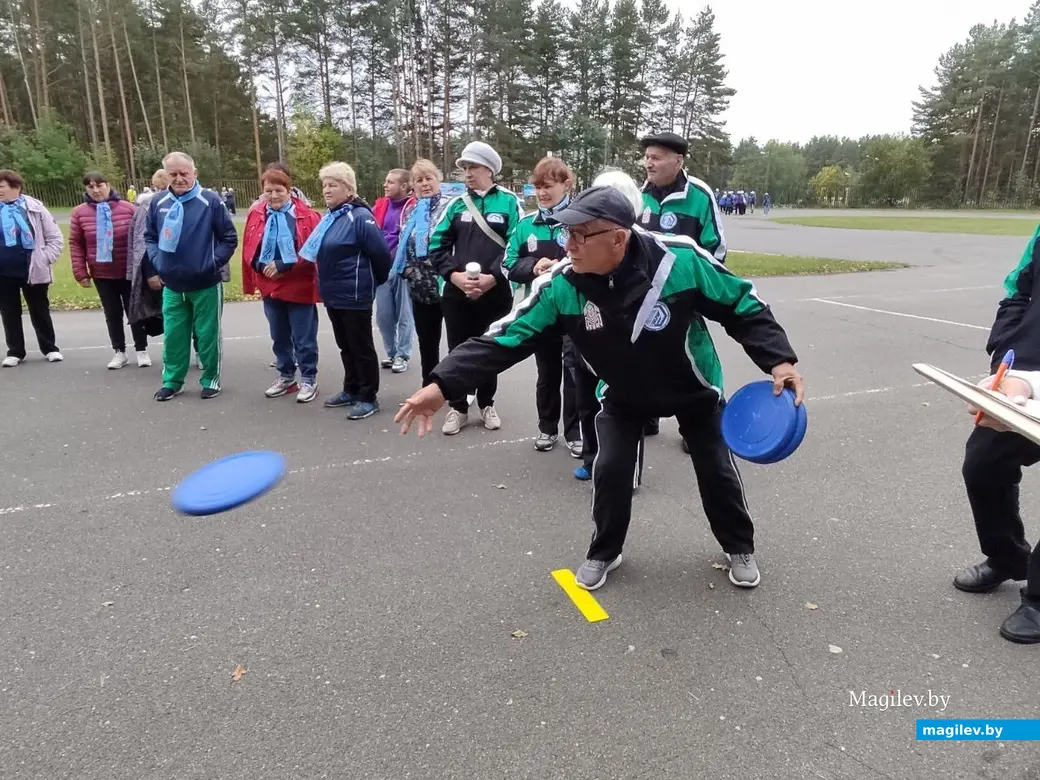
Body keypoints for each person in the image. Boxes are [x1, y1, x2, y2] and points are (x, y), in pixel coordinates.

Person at [396, 186, 804, 592]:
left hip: (691, 388)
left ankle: (739, 547)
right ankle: (605, 551)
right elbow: (505, 337)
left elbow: (741, 304)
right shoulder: (563, 284)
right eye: (564, 234)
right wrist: (442, 383)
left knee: (716, 469)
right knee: (608, 470)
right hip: (623, 393)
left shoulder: (678, 260)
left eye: (578, 235)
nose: (566, 245)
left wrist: (779, 359)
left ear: (617, 238)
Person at [953, 227, 1040, 643]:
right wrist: (1008, 376)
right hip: (1027, 380)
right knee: (984, 464)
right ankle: (1007, 557)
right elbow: (1018, 294)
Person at [428, 141, 524, 435]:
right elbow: (436, 245)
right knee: (458, 349)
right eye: (465, 168)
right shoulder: (455, 204)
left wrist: (493, 277)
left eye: (473, 167)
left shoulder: (509, 203)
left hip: (495, 292)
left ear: (490, 170)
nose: (467, 174)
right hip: (456, 293)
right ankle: (458, 408)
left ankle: (487, 402)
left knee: (490, 348)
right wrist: (454, 276)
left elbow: (516, 245)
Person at [640, 131, 729, 447]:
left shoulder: (700, 196)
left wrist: (698, 293)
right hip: (645, 300)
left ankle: (698, 424)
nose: (648, 163)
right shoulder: (639, 196)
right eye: (647, 157)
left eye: (656, 157)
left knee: (695, 359)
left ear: (678, 161)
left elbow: (715, 249)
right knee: (643, 358)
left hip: (686, 297)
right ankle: (645, 415)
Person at [144, 151, 238, 401]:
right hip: (172, 285)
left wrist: (210, 263)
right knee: (174, 334)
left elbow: (229, 238)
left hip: (205, 283)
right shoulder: (158, 202)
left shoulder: (211, 201)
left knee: (207, 334)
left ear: (194, 173)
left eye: (184, 173)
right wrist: (157, 261)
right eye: (173, 174)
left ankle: (210, 379)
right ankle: (173, 381)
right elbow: (150, 237)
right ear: (166, 175)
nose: (179, 178)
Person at [503, 156, 580, 455]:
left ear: (566, 184)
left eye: (548, 186)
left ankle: (575, 433)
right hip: (540, 312)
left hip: (575, 311)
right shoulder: (526, 225)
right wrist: (534, 267)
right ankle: (547, 428)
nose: (543, 193)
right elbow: (507, 265)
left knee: (576, 374)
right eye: (537, 188)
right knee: (547, 374)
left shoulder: (580, 220)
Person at [302, 162, 392, 420]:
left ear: (349, 189)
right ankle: (351, 388)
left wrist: (371, 283)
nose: (327, 190)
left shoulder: (360, 217)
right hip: (333, 294)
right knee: (345, 346)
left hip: (354, 294)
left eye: (333, 185)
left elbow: (381, 255)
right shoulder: (331, 218)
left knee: (360, 346)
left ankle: (368, 396)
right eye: (325, 185)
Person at [242, 166, 322, 403]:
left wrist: (283, 266)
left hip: (298, 285)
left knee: (303, 337)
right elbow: (248, 246)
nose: (274, 196)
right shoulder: (257, 214)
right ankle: (286, 376)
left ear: (289, 190)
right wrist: (259, 265)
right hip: (270, 286)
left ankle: (309, 378)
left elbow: (312, 250)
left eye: (279, 190)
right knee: (279, 335)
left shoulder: (307, 215)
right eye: (269, 191)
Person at [70, 171, 149, 369]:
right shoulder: (79, 213)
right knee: (112, 313)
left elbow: (141, 239)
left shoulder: (129, 208)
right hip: (101, 272)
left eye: (100, 185)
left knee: (134, 311)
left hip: (128, 270)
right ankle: (119, 351)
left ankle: (142, 349)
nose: (96, 190)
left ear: (108, 185)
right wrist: (81, 272)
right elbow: (76, 244)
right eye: (91, 187)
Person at [0, 170, 64, 367]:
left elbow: (55, 237)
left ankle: (50, 348)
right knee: (9, 311)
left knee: (39, 310)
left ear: (16, 187)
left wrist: (44, 259)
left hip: (33, 268)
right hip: (4, 271)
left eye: (1, 187)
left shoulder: (35, 208)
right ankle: (15, 351)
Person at [395, 158, 446, 388]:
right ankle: (430, 385)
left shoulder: (451, 207)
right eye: (419, 180)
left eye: (429, 178)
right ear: (413, 185)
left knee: (459, 342)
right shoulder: (411, 211)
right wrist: (407, 270)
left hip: (447, 284)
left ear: (438, 180)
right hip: (419, 287)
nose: (425, 184)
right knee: (427, 342)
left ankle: (461, 389)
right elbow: (403, 242)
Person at [373, 168, 417, 373]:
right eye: (386, 180)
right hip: (381, 267)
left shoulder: (413, 207)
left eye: (391, 182)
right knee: (383, 315)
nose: (385, 185)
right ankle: (391, 353)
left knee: (404, 314)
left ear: (405, 186)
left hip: (403, 268)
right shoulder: (380, 206)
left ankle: (403, 354)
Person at [126, 169, 169, 339]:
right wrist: (152, 273)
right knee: (168, 315)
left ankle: (199, 350)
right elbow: (143, 243)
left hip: (186, 270)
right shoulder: (147, 207)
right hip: (160, 269)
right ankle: (174, 356)